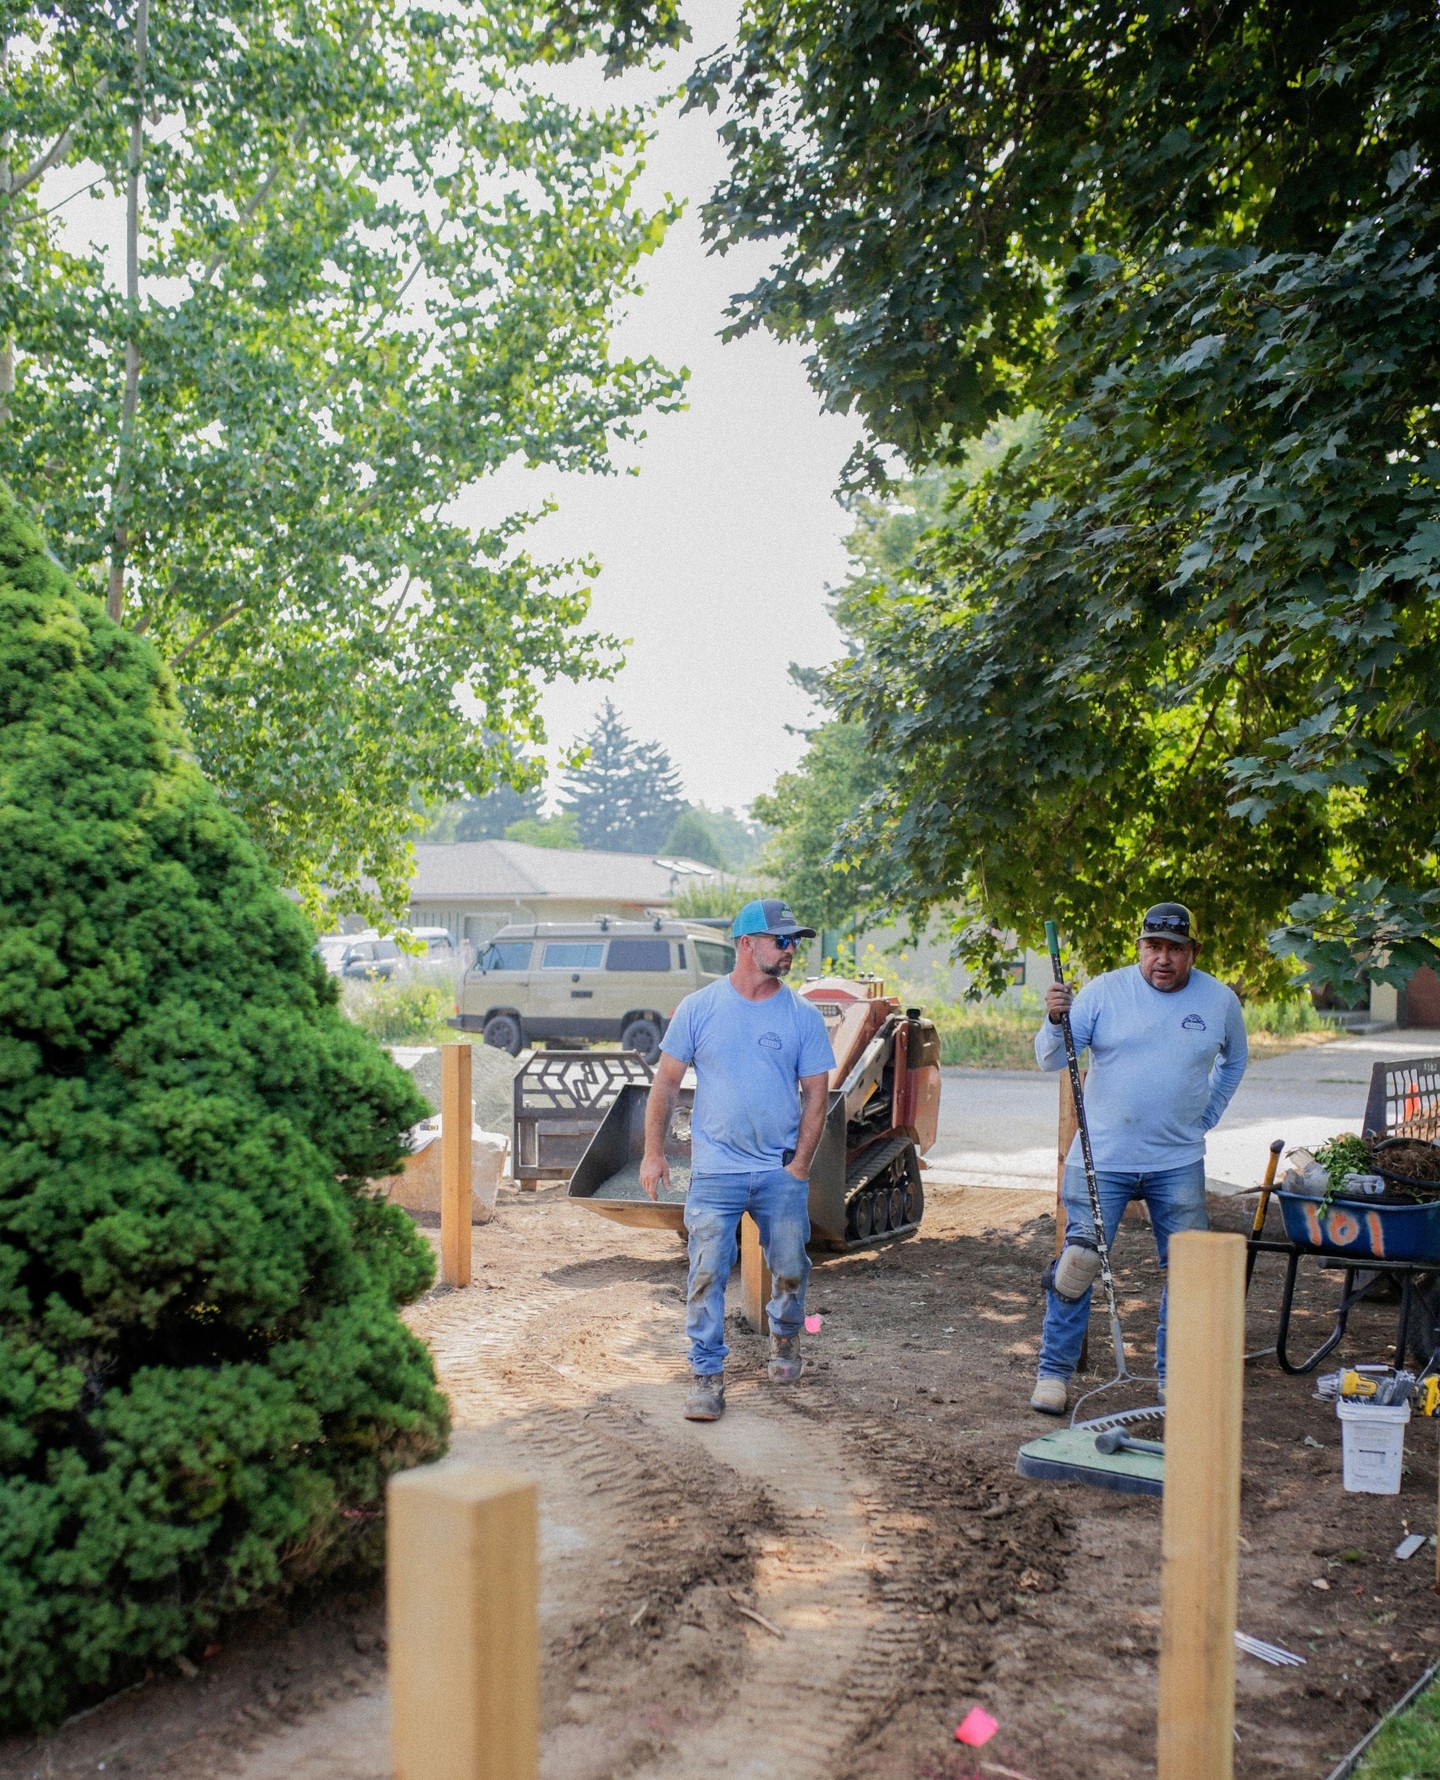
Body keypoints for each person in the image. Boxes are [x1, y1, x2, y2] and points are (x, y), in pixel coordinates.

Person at [1029, 902, 1248, 1414]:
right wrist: (1053, 1018)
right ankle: (1053, 1375)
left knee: (1190, 1270)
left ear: (1193, 950)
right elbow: (1050, 1058)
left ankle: (1176, 1378)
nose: (1163, 959)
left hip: (1177, 1161)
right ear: (1140, 948)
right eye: (1153, 947)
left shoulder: (1218, 1001)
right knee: (1078, 1261)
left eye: (1175, 948)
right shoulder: (1104, 992)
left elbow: (1234, 1059)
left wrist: (1207, 1114)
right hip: (1101, 1158)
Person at [639, 898, 835, 1422]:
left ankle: (787, 1338)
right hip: (715, 1173)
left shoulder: (803, 1016)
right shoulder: (699, 1008)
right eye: (782, 940)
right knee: (705, 1274)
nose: (791, 949)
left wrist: (799, 1166)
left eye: (794, 940)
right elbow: (665, 1083)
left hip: (779, 1173)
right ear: (747, 943)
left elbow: (818, 1094)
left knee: (791, 1267)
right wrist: (653, 1153)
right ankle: (706, 1373)